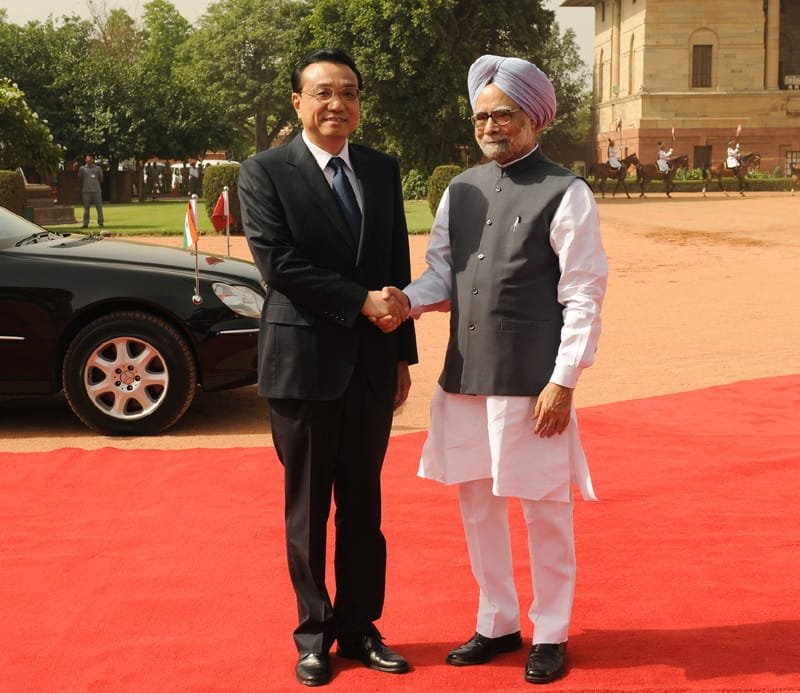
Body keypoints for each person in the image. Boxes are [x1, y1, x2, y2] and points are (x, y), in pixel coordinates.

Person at [390, 54, 607, 685]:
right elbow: (441, 276)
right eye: (482, 115)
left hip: (532, 381)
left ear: (533, 118)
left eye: (503, 114)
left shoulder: (567, 192)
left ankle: (551, 630)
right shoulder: (459, 189)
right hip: (465, 378)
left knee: (543, 507)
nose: (490, 125)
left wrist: (564, 380)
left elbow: (584, 292)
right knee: (477, 505)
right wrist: (406, 300)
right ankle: (497, 620)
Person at [237, 48, 417, 688]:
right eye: (322, 93)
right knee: (308, 509)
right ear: (297, 102)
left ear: (359, 103)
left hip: (371, 367)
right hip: (304, 366)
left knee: (364, 509)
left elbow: (394, 257)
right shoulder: (263, 173)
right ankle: (314, 634)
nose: (336, 104)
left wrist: (401, 354)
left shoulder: (380, 169)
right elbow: (277, 264)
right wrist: (358, 301)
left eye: (348, 93)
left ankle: (362, 626)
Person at [78, 154, 104, 228]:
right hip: (86, 191)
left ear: (93, 160)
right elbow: (80, 178)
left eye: (90, 159)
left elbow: (101, 178)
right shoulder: (82, 168)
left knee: (99, 208)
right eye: (87, 159)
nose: (89, 160)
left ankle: (101, 222)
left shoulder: (98, 168)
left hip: (97, 191)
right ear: (85, 160)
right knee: (86, 208)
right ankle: (85, 224)